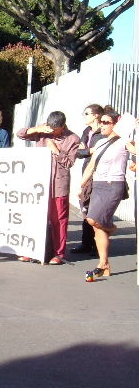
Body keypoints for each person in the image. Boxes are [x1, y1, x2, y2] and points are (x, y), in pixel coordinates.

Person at [17, 111, 80, 265]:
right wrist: (36, 129)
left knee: (59, 219)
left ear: (62, 126)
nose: (51, 131)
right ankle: (32, 250)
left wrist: (55, 150)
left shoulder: (73, 139)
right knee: (36, 217)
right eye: (49, 128)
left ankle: (58, 253)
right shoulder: (42, 132)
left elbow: (69, 163)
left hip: (58, 185)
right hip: (39, 184)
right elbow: (20, 134)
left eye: (55, 129)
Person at [81, 109, 134, 280]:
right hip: (98, 185)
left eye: (106, 122)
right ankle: (103, 264)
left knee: (93, 220)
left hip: (113, 185)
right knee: (96, 226)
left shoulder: (124, 141)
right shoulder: (101, 143)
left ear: (115, 124)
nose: (102, 125)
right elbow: (91, 166)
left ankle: (111, 228)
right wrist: (81, 185)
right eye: (101, 122)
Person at [72, 104, 105, 255]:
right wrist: (89, 150)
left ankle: (99, 246)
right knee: (85, 207)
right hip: (86, 171)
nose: (84, 116)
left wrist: (89, 151)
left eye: (86, 113)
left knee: (97, 211)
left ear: (96, 115)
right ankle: (86, 244)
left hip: (100, 174)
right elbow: (78, 152)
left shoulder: (103, 132)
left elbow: (102, 152)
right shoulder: (87, 131)